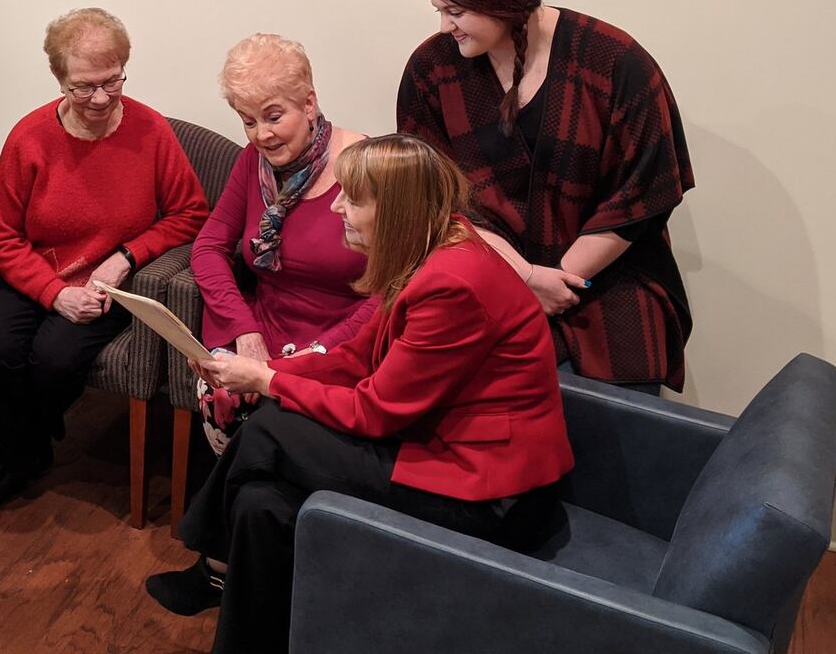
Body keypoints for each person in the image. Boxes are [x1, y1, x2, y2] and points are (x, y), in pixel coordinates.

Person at [146, 134, 573, 654]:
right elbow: (353, 361)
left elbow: (375, 411)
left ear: (395, 209)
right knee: (262, 503)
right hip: (441, 446)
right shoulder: (432, 248)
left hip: (491, 493)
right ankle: (231, 599)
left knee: (268, 429)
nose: (337, 207)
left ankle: (208, 557)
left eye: (353, 198)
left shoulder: (451, 284)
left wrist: (265, 383)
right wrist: (257, 370)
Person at [397, 0, 695, 393]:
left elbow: (643, 192)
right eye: (439, 11)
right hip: (486, 266)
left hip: (607, 275)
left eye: (456, 12)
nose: (444, 28)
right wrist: (524, 277)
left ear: (499, 2)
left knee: (618, 413)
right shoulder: (434, 68)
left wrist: (559, 282)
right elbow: (431, 193)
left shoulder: (613, 62)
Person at [0, 7, 209, 511]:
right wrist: (54, 293)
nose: (99, 98)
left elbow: (190, 212)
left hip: (107, 280)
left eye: (111, 81)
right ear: (59, 79)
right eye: (83, 87)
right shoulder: (29, 137)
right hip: (36, 268)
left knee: (54, 359)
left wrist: (127, 255)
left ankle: (17, 454)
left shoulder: (150, 131)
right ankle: (28, 451)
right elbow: (2, 234)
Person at [190, 34, 373, 453]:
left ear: (309, 104)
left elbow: (390, 290)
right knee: (222, 394)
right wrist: (244, 330)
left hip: (338, 342)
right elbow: (207, 249)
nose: (261, 135)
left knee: (276, 426)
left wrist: (315, 354)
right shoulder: (252, 163)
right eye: (248, 121)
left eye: (274, 117)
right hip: (266, 328)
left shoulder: (364, 166)